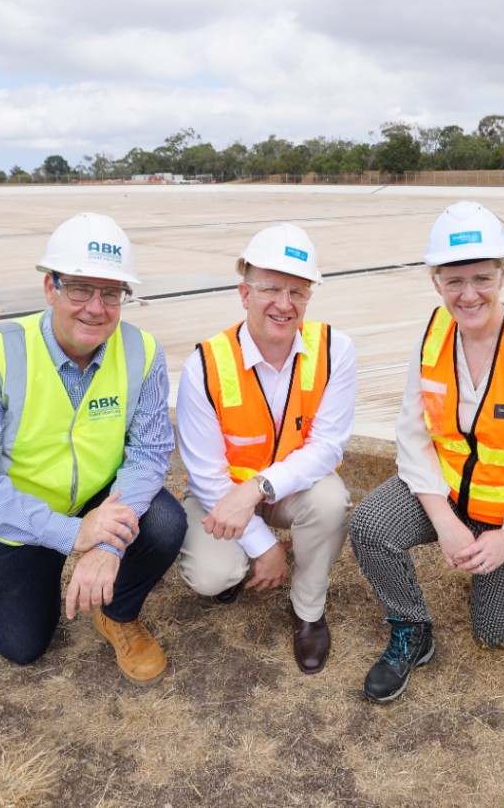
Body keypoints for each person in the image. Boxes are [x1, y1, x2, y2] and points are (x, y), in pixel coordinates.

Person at [350, 201, 504, 703]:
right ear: (436, 282)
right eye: (453, 281)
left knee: (497, 629)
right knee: (370, 524)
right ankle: (412, 630)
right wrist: (444, 520)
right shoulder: (432, 336)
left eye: (482, 277)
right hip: (453, 497)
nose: (468, 294)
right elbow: (413, 438)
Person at [0, 212, 187, 685]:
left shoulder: (143, 351)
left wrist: (107, 542)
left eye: (111, 292)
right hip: (21, 513)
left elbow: (151, 452)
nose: (96, 308)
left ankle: (117, 613)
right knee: (23, 647)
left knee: (164, 522)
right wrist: (71, 534)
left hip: (101, 498)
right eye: (80, 288)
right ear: (50, 287)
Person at [175, 223, 356, 674]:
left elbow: (327, 447)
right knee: (212, 577)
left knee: (331, 500)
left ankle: (308, 610)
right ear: (244, 293)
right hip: (220, 494)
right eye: (270, 288)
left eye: (298, 291)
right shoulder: (205, 365)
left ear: (310, 296)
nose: (284, 303)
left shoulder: (335, 350)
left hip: (281, 491)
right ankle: (241, 564)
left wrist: (257, 489)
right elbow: (205, 474)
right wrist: (265, 547)